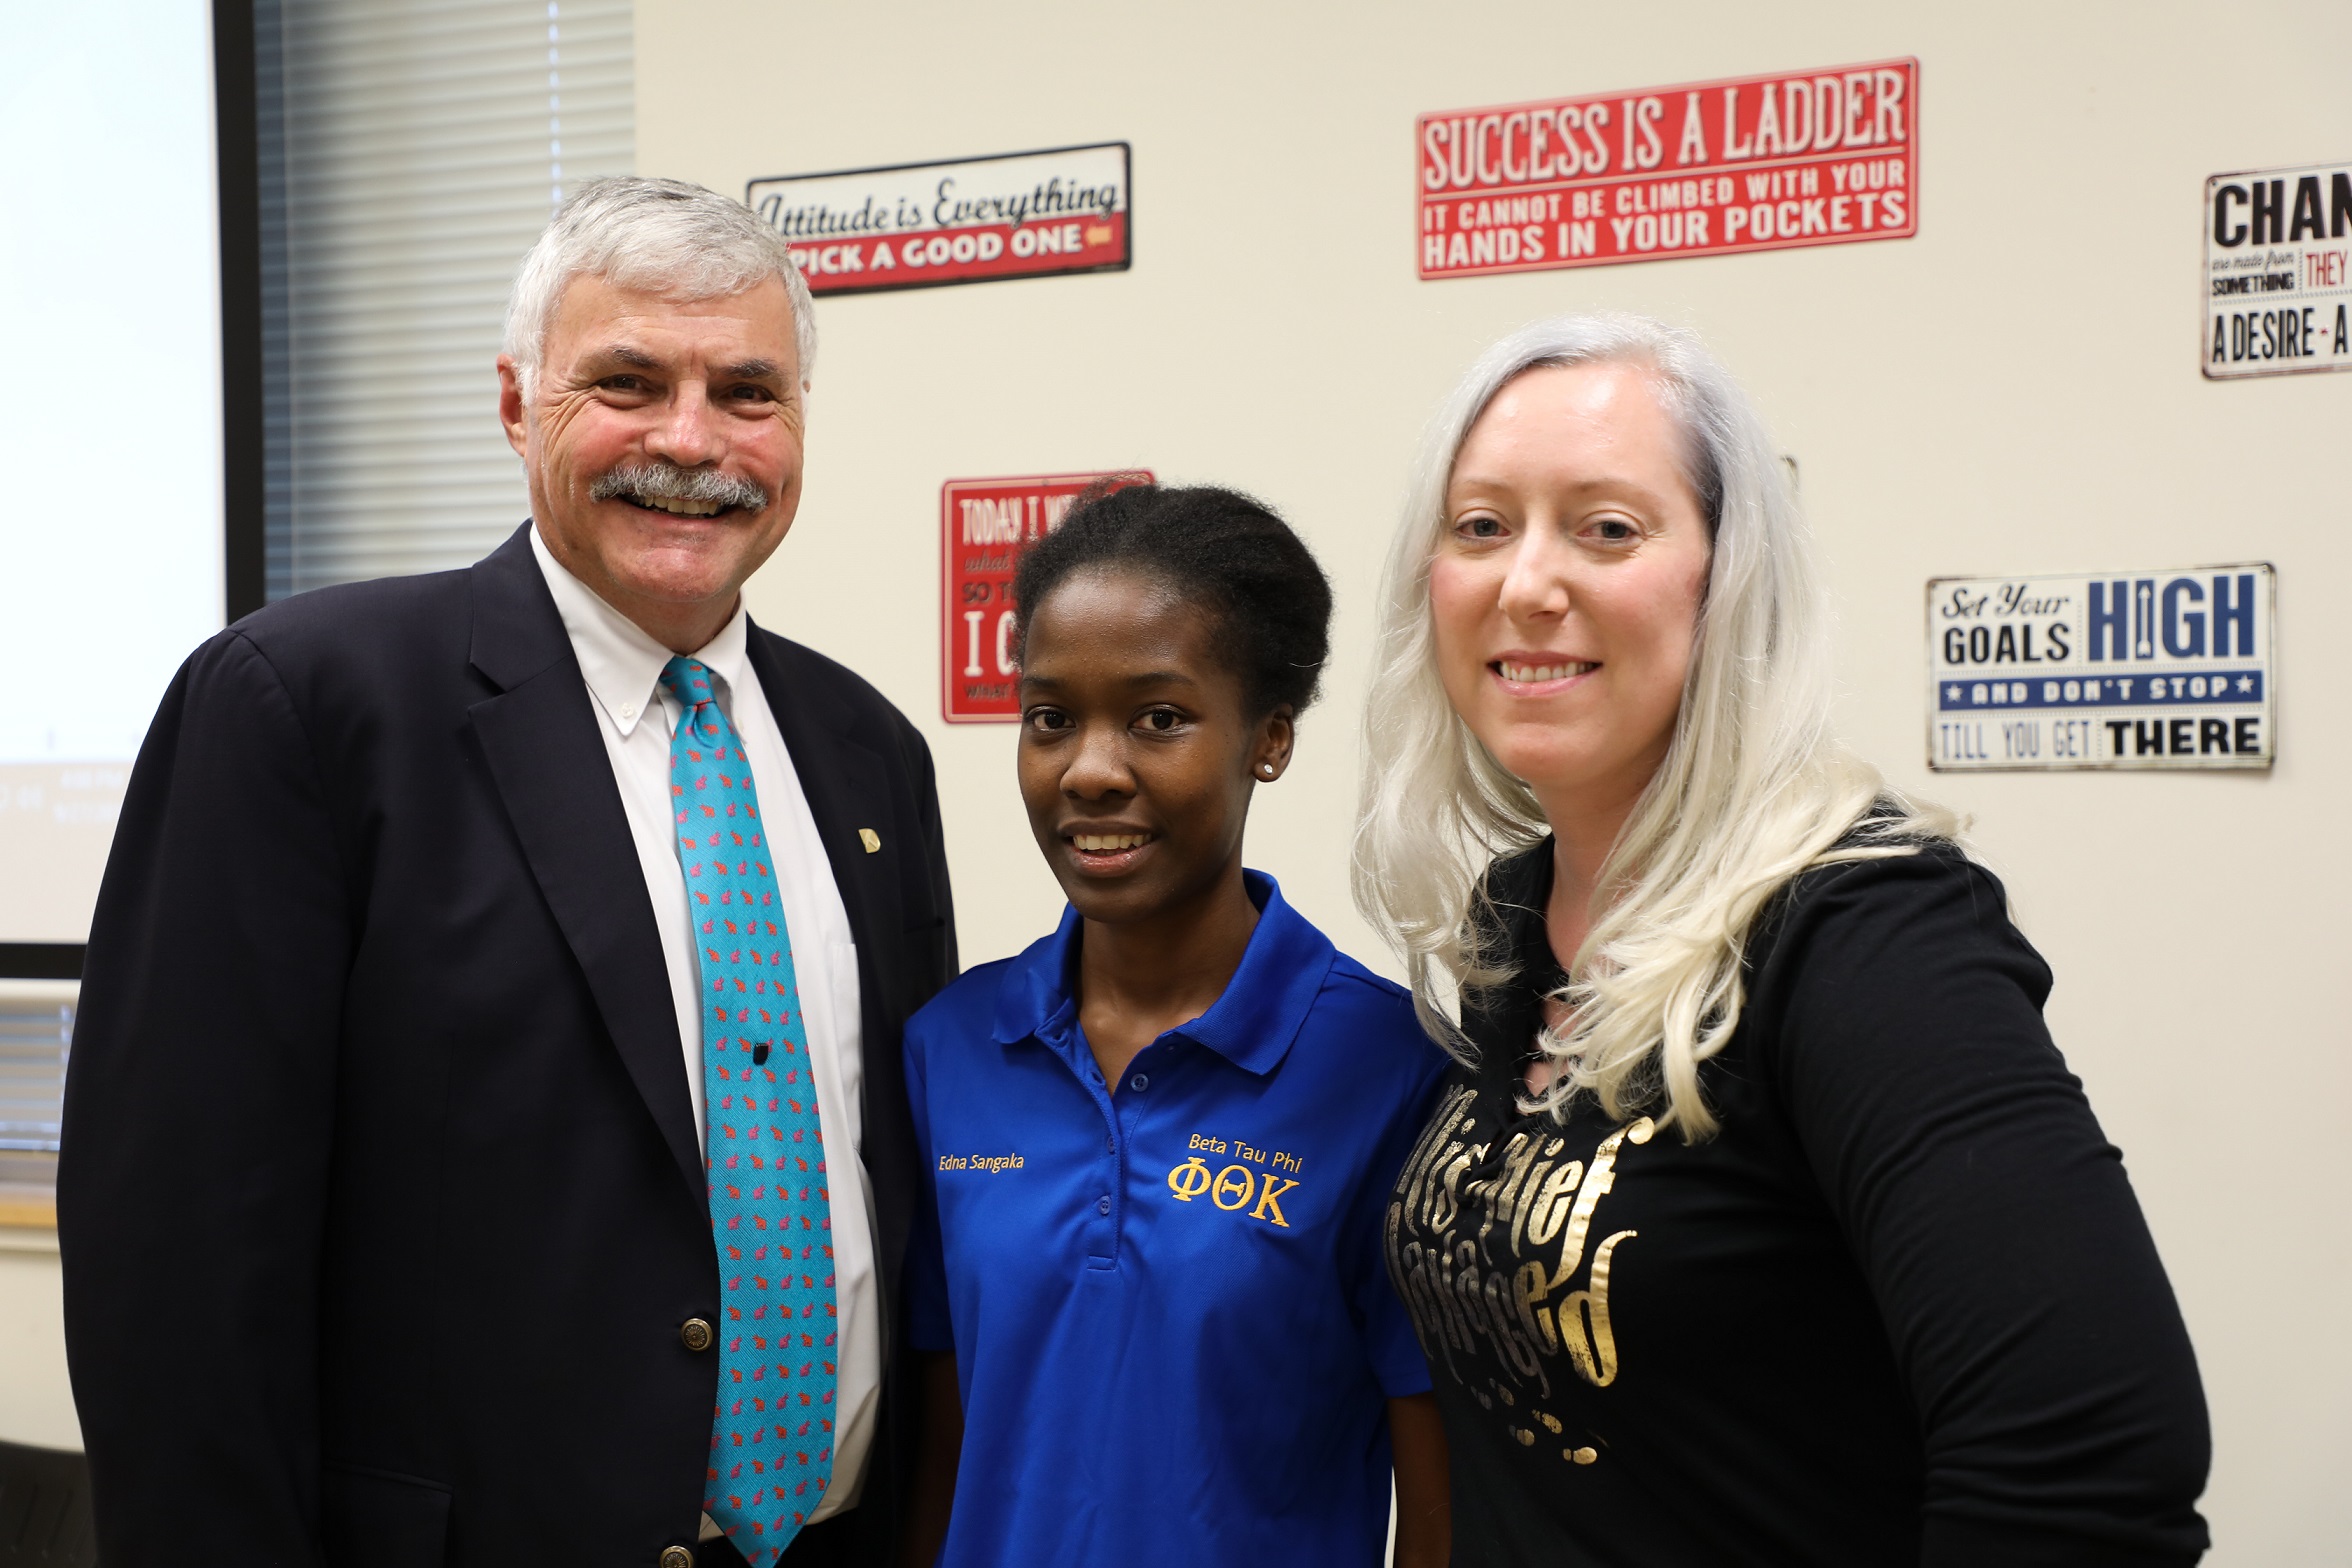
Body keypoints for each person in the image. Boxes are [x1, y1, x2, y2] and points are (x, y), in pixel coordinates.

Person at [59, 177, 955, 1568]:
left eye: (747, 393)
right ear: (516, 403)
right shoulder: (304, 709)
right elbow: (176, 1269)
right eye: (628, 382)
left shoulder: (869, 753)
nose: (691, 440)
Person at [1353, 313, 2211, 1566]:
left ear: (1730, 576)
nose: (1526, 582)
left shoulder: (1863, 931)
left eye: (1607, 528)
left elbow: (2092, 1459)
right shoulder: (1514, 919)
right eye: (1482, 525)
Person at [897, 484, 1452, 1568]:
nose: (1091, 770)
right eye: (1051, 717)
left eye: (1159, 718)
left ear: (1269, 738)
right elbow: (943, 1452)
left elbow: (1438, 1507)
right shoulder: (952, 1046)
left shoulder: (1391, 1069)